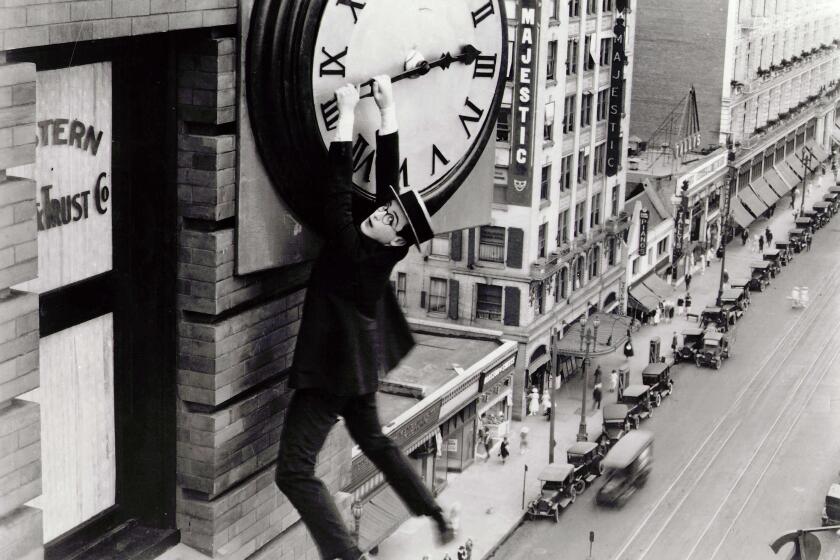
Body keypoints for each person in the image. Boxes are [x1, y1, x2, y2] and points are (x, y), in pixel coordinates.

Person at [274, 77, 456, 560]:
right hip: (356, 365)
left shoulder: (352, 251)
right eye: (387, 211)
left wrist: (348, 116)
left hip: (333, 373)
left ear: (395, 242)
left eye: (390, 221)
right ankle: (432, 510)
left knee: (293, 470)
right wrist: (388, 109)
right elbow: (390, 188)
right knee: (374, 440)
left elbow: (336, 191)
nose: (381, 215)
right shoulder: (381, 252)